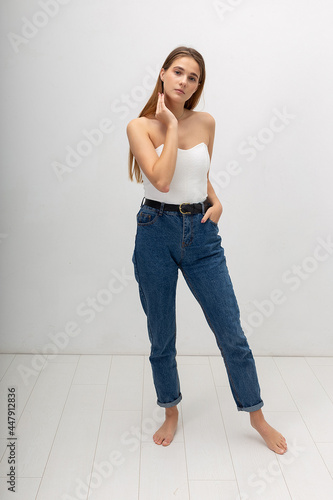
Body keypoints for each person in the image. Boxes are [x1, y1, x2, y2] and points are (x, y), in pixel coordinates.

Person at [126, 46, 287, 454]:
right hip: (155, 232)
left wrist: (215, 200)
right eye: (177, 72)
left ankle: (256, 415)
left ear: (198, 86)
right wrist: (171, 126)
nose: (184, 81)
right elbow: (162, 181)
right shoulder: (140, 126)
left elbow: (200, 173)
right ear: (162, 74)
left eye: (193, 77)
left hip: (201, 234)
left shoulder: (207, 122)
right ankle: (171, 411)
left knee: (231, 331)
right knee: (162, 333)